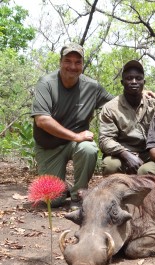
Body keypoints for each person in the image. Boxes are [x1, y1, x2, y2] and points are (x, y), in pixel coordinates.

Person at [31, 42, 115, 210]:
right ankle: (64, 187)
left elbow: (117, 102)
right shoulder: (46, 83)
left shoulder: (92, 87)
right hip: (49, 146)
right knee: (52, 201)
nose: (72, 66)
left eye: (78, 62)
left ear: (82, 65)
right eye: (68, 61)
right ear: (60, 62)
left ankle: (79, 195)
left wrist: (141, 92)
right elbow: (42, 120)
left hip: (76, 144)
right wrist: (76, 136)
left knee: (89, 149)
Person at [99, 60, 155, 175]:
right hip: (123, 153)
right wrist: (126, 155)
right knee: (110, 165)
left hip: (150, 153)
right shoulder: (111, 108)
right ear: (122, 82)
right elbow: (105, 140)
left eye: (138, 78)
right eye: (129, 78)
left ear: (144, 82)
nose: (134, 82)